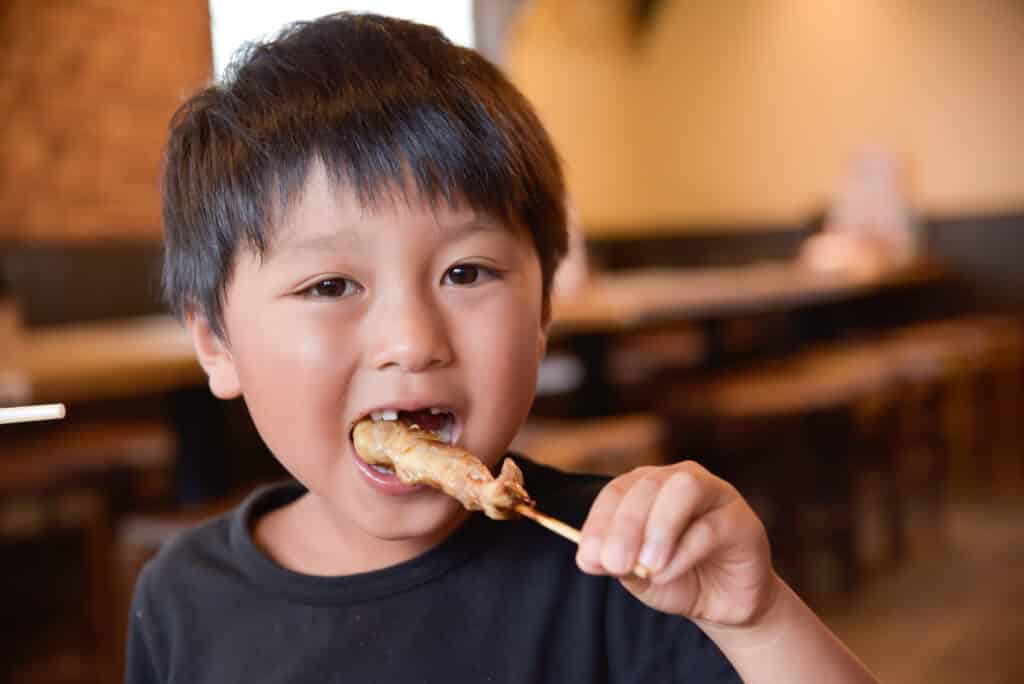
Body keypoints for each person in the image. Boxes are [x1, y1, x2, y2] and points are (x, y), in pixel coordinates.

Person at [127, 12, 878, 683]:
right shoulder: (180, 601)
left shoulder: (628, 566)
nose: (412, 342)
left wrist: (758, 621)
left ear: (543, 308)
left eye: (465, 273)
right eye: (330, 285)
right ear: (216, 342)